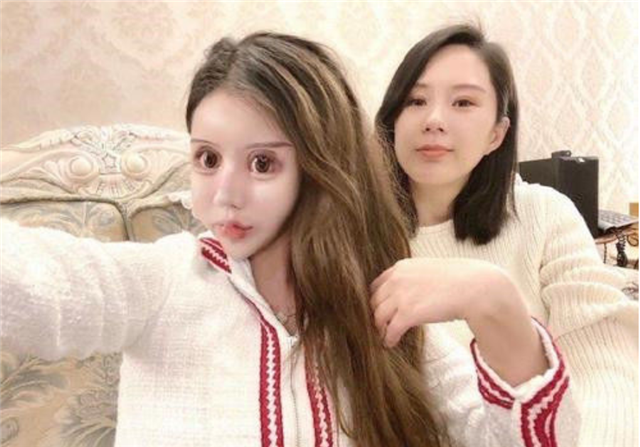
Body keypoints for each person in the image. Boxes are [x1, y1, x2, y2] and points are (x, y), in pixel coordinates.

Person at [0, 32, 578, 447]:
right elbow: (30, 283)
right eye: (207, 158)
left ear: (323, 169)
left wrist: (495, 301)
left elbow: (530, 439)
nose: (225, 194)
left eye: (262, 163)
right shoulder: (164, 282)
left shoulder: (379, 311)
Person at [375, 23, 637, 447]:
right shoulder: (352, 232)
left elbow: (606, 374)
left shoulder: (544, 214)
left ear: (496, 134)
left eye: (463, 102)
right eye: (415, 101)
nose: (434, 120)